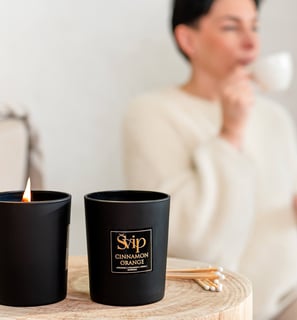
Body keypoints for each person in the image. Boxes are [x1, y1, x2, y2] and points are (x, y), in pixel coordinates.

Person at [122, 0, 297, 319]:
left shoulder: (276, 118)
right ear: (188, 40)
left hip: (287, 301)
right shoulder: (152, 113)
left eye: (254, 26)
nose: (251, 42)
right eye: (231, 27)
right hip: (204, 307)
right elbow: (180, 239)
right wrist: (230, 132)